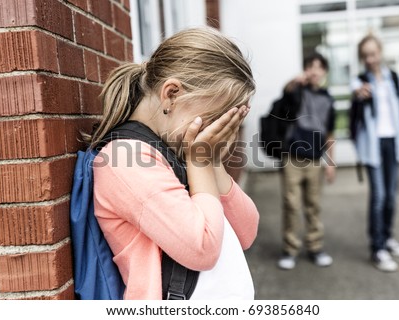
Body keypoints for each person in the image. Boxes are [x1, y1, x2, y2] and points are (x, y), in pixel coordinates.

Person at [87, 27, 259, 299]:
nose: (218, 130)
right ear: (172, 94)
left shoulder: (180, 145)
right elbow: (201, 249)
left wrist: (211, 160)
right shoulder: (124, 159)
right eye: (214, 117)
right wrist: (200, 160)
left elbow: (246, 231)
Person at [351, 34, 399, 272]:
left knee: (391, 196)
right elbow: (357, 92)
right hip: (372, 145)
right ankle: (377, 249)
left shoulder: (393, 78)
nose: (370, 59)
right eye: (365, 55)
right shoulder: (359, 81)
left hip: (392, 142)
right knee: (378, 197)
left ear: (380, 52)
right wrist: (361, 94)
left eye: (373, 53)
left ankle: (387, 238)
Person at [277, 52, 336, 270]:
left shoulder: (328, 99)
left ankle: (315, 247)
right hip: (292, 157)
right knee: (291, 204)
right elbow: (284, 97)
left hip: (314, 160)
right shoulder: (296, 91)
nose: (315, 71)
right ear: (305, 70)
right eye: (311, 66)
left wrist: (331, 163)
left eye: (320, 67)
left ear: (325, 72)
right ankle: (289, 249)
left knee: (313, 205)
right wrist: (294, 82)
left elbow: (330, 134)